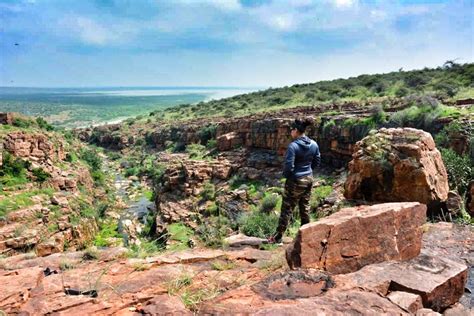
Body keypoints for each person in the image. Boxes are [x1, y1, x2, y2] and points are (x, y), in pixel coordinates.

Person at [268, 118, 321, 244]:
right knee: (305, 207)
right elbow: (317, 162)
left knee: (287, 209)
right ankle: (307, 235)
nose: (290, 132)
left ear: (296, 130)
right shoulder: (314, 144)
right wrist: (307, 170)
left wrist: (289, 177)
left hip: (295, 180)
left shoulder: (293, 146)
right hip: (309, 178)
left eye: (291, 130)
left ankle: (278, 237)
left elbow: (288, 167)